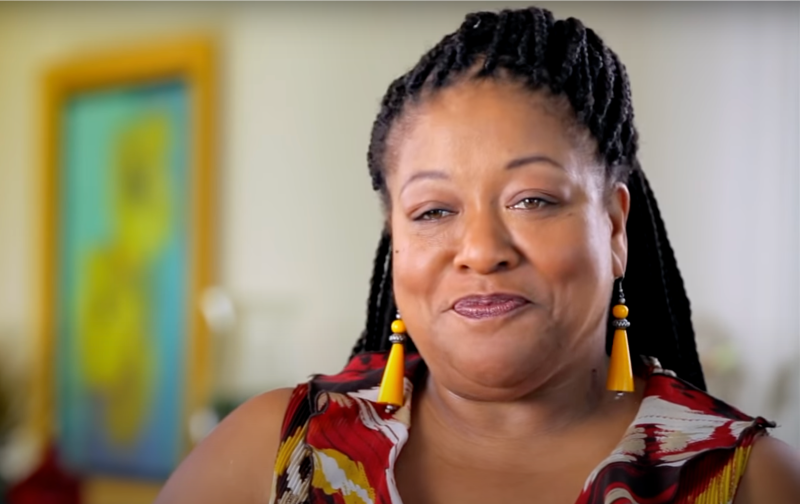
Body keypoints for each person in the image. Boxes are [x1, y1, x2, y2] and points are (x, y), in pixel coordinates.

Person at [156, 7, 800, 504]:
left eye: (533, 200)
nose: (483, 252)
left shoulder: (750, 482)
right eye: (434, 211)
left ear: (613, 226)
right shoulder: (271, 451)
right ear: (395, 241)